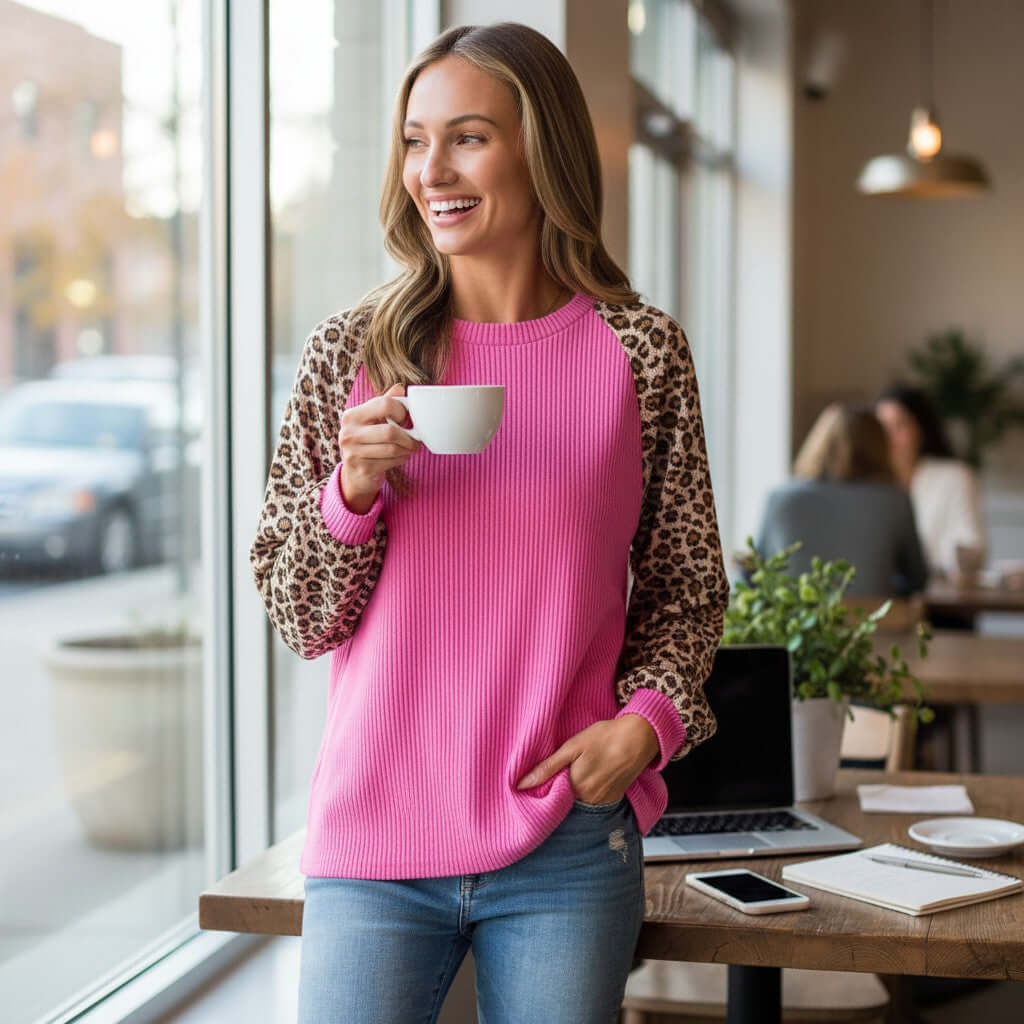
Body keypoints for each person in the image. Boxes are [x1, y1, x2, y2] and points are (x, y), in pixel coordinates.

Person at [249, 22, 729, 1024]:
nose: (433, 170)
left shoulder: (640, 352)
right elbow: (299, 615)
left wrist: (644, 728)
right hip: (373, 842)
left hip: (563, 840)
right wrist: (350, 494)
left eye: (467, 137)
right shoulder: (350, 351)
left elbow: (685, 584)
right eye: (415, 140)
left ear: (541, 147)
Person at [755, 404, 928, 597]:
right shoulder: (895, 500)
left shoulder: (779, 498)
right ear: (881, 449)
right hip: (874, 624)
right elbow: (917, 579)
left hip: (793, 625)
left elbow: (754, 573)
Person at [875, 384, 986, 581]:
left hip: (940, 599)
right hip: (880, 596)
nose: (889, 437)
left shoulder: (954, 477)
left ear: (920, 430)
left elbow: (972, 549)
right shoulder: (867, 484)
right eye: (882, 427)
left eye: (899, 425)